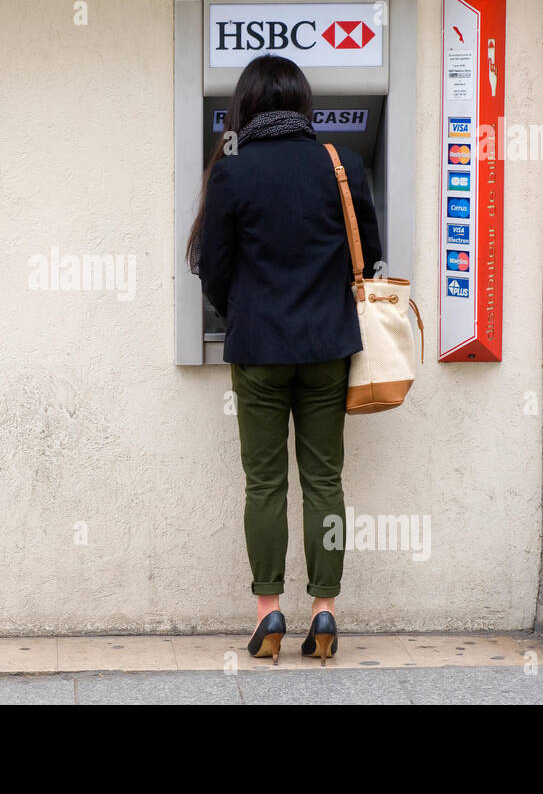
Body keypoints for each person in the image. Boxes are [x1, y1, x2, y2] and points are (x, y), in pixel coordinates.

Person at [187, 54, 383, 665]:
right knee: (325, 479)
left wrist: (241, 308)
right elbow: (370, 255)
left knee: (264, 481)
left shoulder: (233, 172)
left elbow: (212, 269)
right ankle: (325, 610)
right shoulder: (342, 164)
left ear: (244, 105)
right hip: (328, 348)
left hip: (260, 349)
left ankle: (267, 609)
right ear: (304, 103)